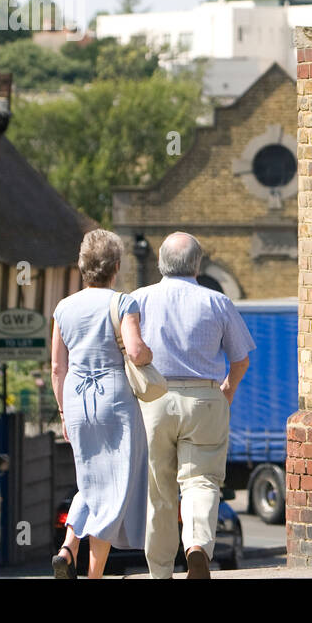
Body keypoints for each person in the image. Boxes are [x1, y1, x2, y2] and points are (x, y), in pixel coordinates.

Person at [134, 232, 253, 579]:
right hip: (205, 397)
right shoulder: (217, 302)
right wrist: (226, 390)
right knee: (201, 482)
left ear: (159, 263)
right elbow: (241, 359)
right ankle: (197, 545)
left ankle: (160, 573)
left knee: (159, 491)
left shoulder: (138, 300)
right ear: (197, 265)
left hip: (154, 400)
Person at [49, 229, 154, 579]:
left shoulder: (63, 308)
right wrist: (151, 355)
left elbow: (56, 367)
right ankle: (93, 576)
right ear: (117, 266)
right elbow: (136, 351)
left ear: (82, 266)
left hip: (77, 400)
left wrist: (64, 411)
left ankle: (68, 548)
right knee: (114, 491)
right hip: (114, 401)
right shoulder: (122, 303)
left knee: (90, 484)